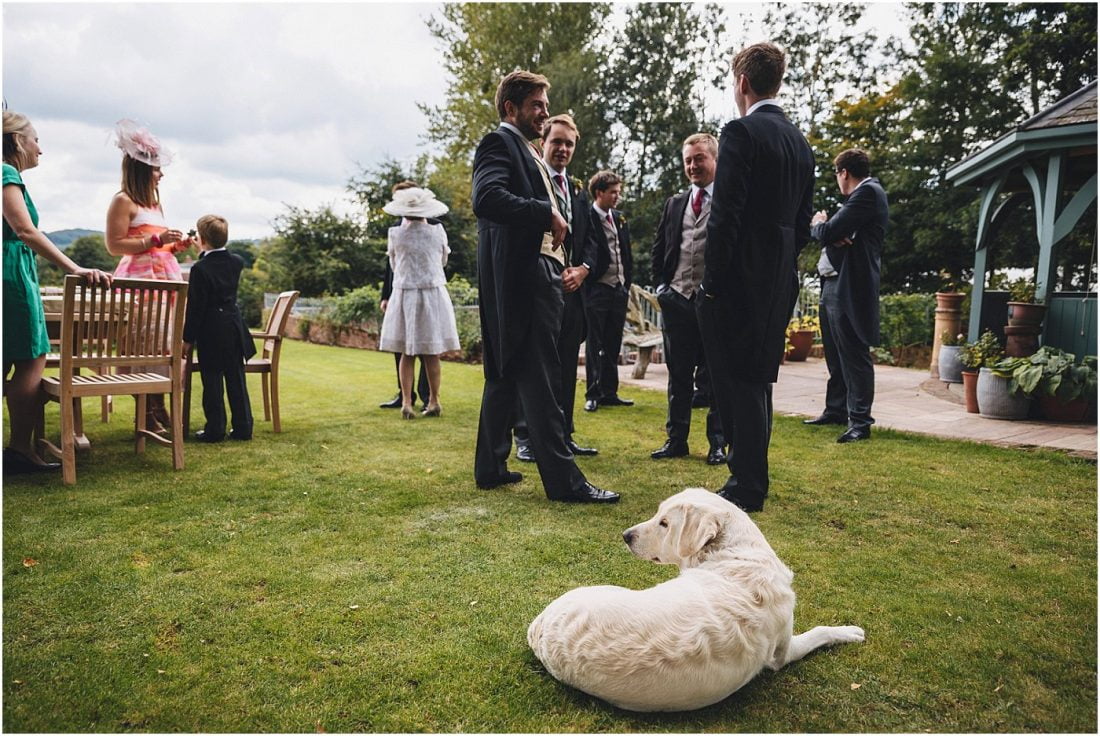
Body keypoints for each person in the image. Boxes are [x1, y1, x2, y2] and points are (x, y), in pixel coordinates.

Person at [471, 69, 618, 504]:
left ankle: (490, 467)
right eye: (537, 105)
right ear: (509, 108)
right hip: (527, 278)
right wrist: (544, 212)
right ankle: (566, 484)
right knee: (540, 379)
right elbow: (486, 198)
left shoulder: (526, 149)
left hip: (527, 277)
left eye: (545, 104)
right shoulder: (499, 143)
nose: (544, 112)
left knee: (502, 373)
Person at [698, 42, 815, 513]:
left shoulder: (742, 133)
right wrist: (779, 260)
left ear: (742, 82)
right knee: (758, 379)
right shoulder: (800, 144)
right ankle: (751, 474)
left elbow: (724, 217)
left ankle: (747, 484)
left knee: (736, 379)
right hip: (779, 277)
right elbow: (804, 223)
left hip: (739, 279)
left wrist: (712, 281)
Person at [2, 110, 113, 475]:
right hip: (11, 275)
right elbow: (26, 231)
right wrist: (75, 268)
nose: (41, 150)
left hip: (14, 270)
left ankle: (20, 448)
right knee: (32, 358)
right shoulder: (6, 173)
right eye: (36, 140)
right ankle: (19, 450)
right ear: (18, 141)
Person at [513, 114, 600, 463]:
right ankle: (526, 436)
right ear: (543, 143)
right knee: (534, 364)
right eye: (557, 142)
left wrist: (583, 270)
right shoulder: (531, 179)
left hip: (572, 294)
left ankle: (563, 434)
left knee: (565, 366)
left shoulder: (578, 191)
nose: (562, 149)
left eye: (569, 144)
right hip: (537, 286)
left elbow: (591, 241)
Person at [105, 119, 191, 434]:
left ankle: (154, 409)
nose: (161, 173)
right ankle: (149, 410)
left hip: (164, 283)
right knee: (143, 347)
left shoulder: (155, 203)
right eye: (156, 168)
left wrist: (174, 244)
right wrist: (155, 240)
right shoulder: (122, 200)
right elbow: (114, 245)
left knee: (165, 346)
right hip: (140, 287)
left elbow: (157, 244)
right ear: (142, 169)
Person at [650, 133, 726, 465]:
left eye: (699, 158)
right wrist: (660, 288)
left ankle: (718, 444)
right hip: (677, 300)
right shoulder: (674, 203)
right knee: (678, 375)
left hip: (714, 303)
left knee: (715, 376)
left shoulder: (727, 199)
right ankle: (676, 440)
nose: (693, 165)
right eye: (688, 160)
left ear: (715, 160)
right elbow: (659, 249)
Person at [802, 148, 888, 443]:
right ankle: (836, 410)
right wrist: (831, 231)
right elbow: (834, 234)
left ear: (844, 173)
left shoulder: (867, 193)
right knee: (836, 353)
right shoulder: (857, 199)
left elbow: (826, 233)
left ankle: (860, 422)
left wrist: (820, 225)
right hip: (831, 284)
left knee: (853, 352)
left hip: (849, 285)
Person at [377, 186, 460, 418]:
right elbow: (443, 260)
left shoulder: (395, 234)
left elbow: (394, 265)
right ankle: (433, 400)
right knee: (431, 352)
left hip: (405, 293)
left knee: (407, 352)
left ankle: (406, 402)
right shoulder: (438, 231)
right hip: (432, 293)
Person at [182, 215, 256, 442]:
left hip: (211, 331)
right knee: (236, 379)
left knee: (212, 381)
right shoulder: (236, 262)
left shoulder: (200, 269)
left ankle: (215, 430)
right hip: (233, 327)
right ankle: (243, 428)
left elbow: (196, 308)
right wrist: (204, 249)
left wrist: (187, 339)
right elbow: (222, 258)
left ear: (201, 239)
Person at [582, 170, 634, 413]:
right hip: (597, 288)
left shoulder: (619, 218)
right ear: (599, 192)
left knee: (613, 342)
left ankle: (610, 392)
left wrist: (626, 283)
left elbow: (625, 252)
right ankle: (592, 393)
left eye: (618, 192)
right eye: (613, 192)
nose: (617, 196)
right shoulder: (588, 216)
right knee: (595, 343)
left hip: (619, 289)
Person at [378, 180, 430, 410]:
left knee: (427, 345)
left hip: (425, 292)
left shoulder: (433, 227)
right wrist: (386, 295)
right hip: (399, 293)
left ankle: (427, 395)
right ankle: (404, 394)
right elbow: (390, 267)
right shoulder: (396, 231)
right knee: (401, 344)